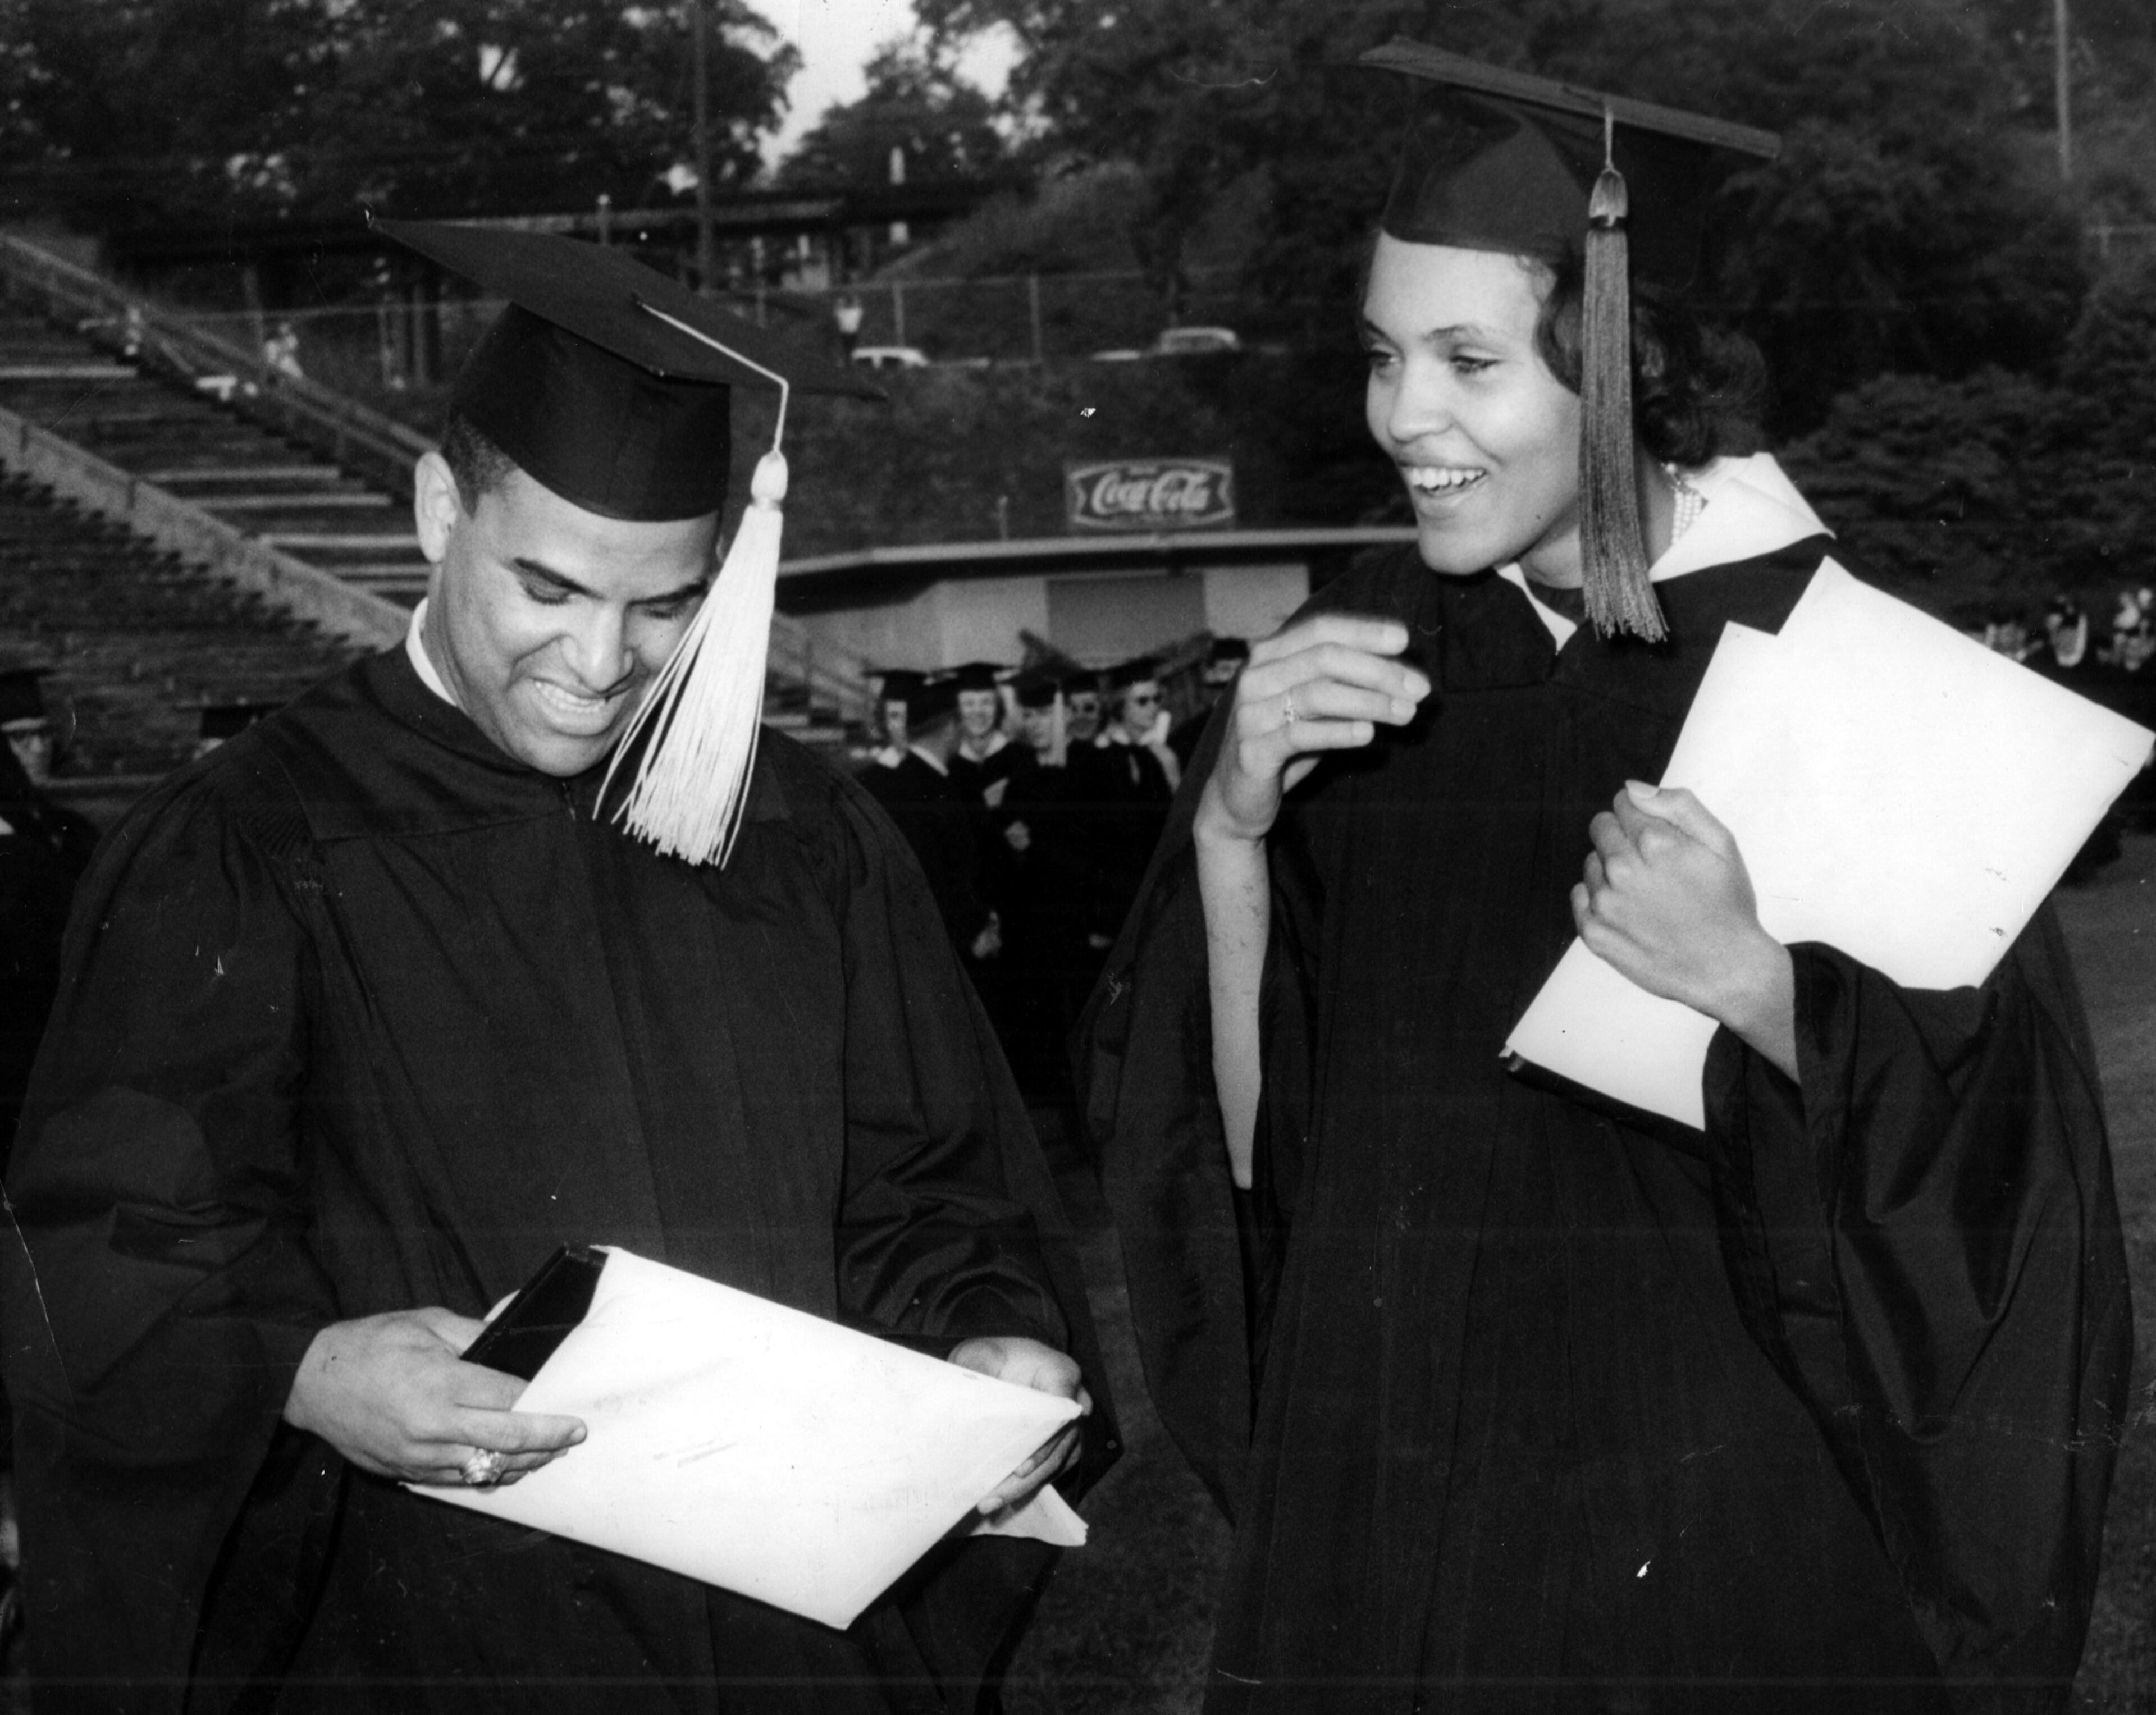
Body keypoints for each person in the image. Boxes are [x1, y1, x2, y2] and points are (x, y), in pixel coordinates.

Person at [1079, 43, 2128, 1713]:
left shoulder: (1848, 675)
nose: (1399, 417)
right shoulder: (1348, 658)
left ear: (1619, 363)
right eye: (1380, 356)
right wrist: (1225, 832)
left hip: (1722, 1530)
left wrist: (1759, 986)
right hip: (1401, 1497)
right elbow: (1268, 1162)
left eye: (1466, 361)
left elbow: (2005, 1200)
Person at [3, 221, 1112, 1714]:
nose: (599, 664)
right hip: (423, 1628)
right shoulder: (251, 838)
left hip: (779, 1618)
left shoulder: (795, 831)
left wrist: (994, 1337)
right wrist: (309, 1367)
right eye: (547, 589)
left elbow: (923, 1182)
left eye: (666, 606)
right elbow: (109, 1239)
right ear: (435, 506)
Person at [1170, 636, 1249, 769]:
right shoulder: (1193, 729)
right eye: (1225, 670)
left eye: (1239, 670)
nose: (1233, 677)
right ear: (1211, 674)